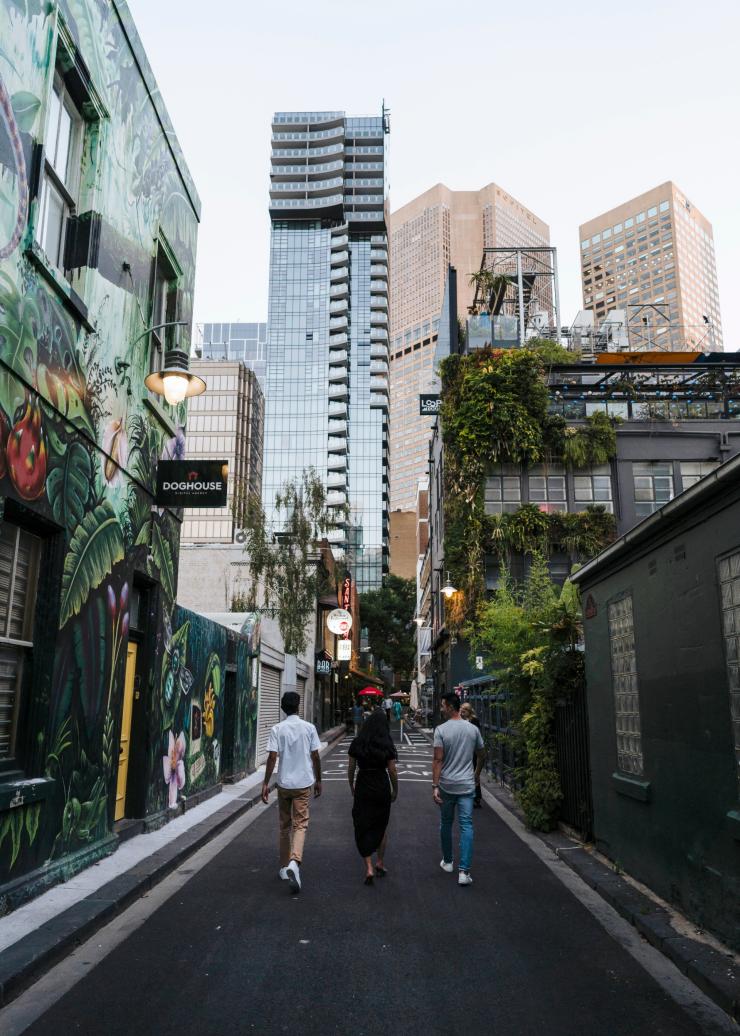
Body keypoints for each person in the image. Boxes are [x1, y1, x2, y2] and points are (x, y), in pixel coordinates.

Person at [261, 691, 322, 894]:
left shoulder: (277, 729)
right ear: (298, 707)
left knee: (284, 826)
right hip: (303, 783)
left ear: (282, 708)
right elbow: (315, 756)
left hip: (284, 784)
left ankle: (284, 867)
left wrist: (265, 783)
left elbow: (271, 757)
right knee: (301, 824)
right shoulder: (309, 728)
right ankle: (295, 862)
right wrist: (319, 779)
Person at [432, 692, 485, 886]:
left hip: (446, 784)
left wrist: (434, 785)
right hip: (466, 785)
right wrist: (476, 773)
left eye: (442, 705)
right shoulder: (472, 729)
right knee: (466, 826)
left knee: (446, 823)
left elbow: (438, 759)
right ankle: (464, 872)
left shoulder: (441, 730)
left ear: (449, 707)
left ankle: (447, 861)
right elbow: (482, 753)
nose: (441, 708)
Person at [347, 710, 398, 884]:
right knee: (381, 825)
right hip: (381, 784)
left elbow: (351, 767)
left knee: (362, 823)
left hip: (363, 783)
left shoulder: (358, 742)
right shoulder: (386, 744)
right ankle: (380, 862)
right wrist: (395, 790)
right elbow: (392, 770)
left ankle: (368, 866)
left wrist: (351, 785)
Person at [460, 702, 483, 807]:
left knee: (474, 772)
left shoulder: (474, 721)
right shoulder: (462, 721)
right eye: (461, 711)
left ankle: (476, 797)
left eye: (464, 711)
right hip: (465, 750)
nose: (462, 713)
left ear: (468, 711)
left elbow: (475, 735)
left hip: (473, 750)